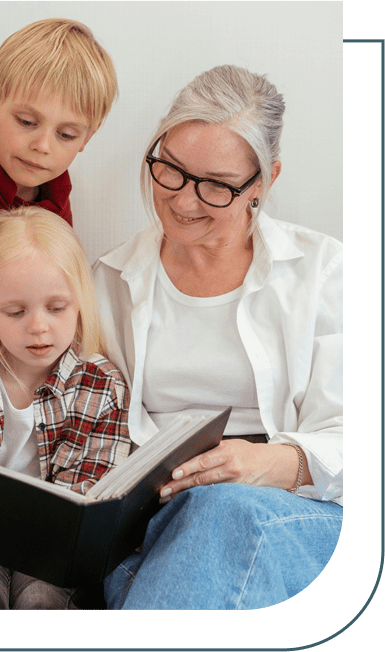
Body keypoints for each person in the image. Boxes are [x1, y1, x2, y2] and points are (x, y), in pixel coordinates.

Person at [92, 65, 343, 610]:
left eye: (216, 186)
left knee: (222, 511)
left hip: (295, 511)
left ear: (265, 181)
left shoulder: (324, 272)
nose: (183, 201)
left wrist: (276, 464)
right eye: (172, 171)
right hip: (160, 523)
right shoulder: (108, 280)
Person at [0, 206, 131, 609]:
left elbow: (92, 496)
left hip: (57, 547)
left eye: (57, 307)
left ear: (80, 301)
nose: (38, 326)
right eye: (15, 312)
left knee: (40, 596)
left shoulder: (101, 385)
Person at [0, 18, 118, 279]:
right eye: (26, 122)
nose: (42, 146)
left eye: (66, 134)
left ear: (86, 138)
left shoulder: (55, 213)